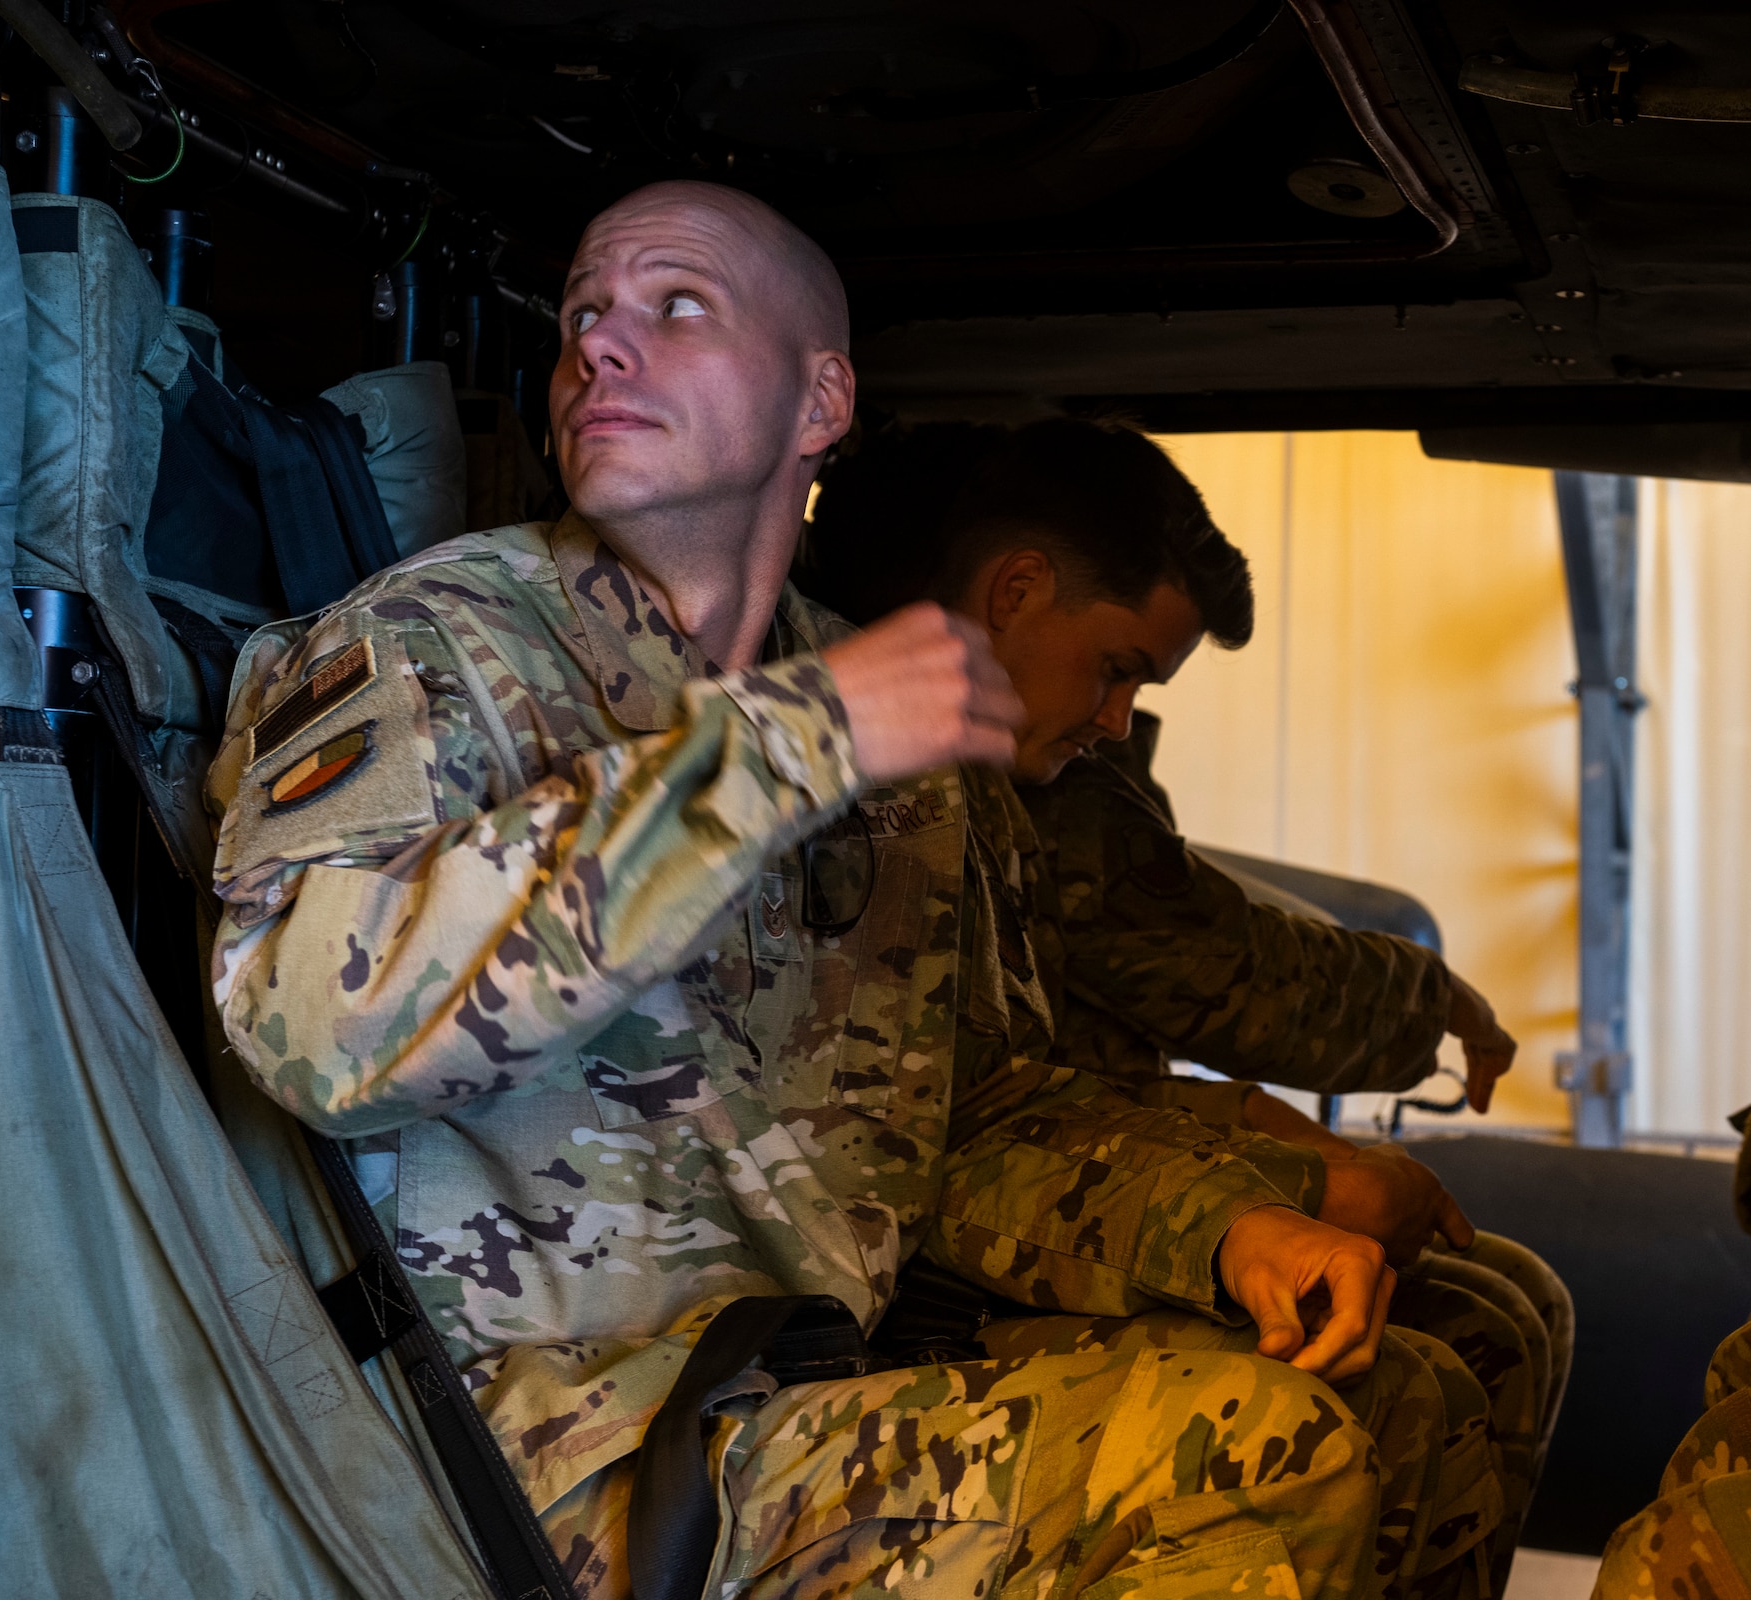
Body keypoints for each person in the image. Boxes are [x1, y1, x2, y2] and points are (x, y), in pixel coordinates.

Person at [210, 182, 1468, 1599]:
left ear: (823, 401)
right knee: (1248, 1444)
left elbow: (966, 1117)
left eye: (676, 308)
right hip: (506, 1433)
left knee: (1391, 1399)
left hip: (782, 1381)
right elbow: (311, 1032)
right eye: (583, 314)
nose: (601, 347)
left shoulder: (882, 711)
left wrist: (1227, 1222)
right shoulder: (431, 645)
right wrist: (780, 751)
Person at [810, 417, 1572, 1588]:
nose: (1113, 721)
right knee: (1352, 1405)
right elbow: (1184, 983)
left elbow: (1004, 1095)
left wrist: (1248, 1168)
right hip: (865, 1316)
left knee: (1447, 1345)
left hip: (965, 1249)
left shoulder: (969, 797)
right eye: (1113, 668)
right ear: (1014, 587)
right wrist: (1261, 1192)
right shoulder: (865, 790)